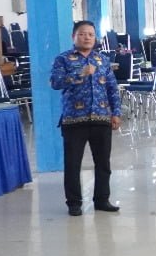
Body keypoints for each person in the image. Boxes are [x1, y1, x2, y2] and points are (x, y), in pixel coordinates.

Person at [50, 20, 121, 216]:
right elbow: (55, 83)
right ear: (74, 37)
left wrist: (116, 113)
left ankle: (102, 199)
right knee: (73, 164)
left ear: (95, 37)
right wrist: (78, 74)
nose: (87, 37)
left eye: (90, 34)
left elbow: (112, 88)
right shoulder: (63, 59)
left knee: (103, 163)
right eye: (82, 34)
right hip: (74, 120)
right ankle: (74, 203)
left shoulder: (102, 60)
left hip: (101, 118)